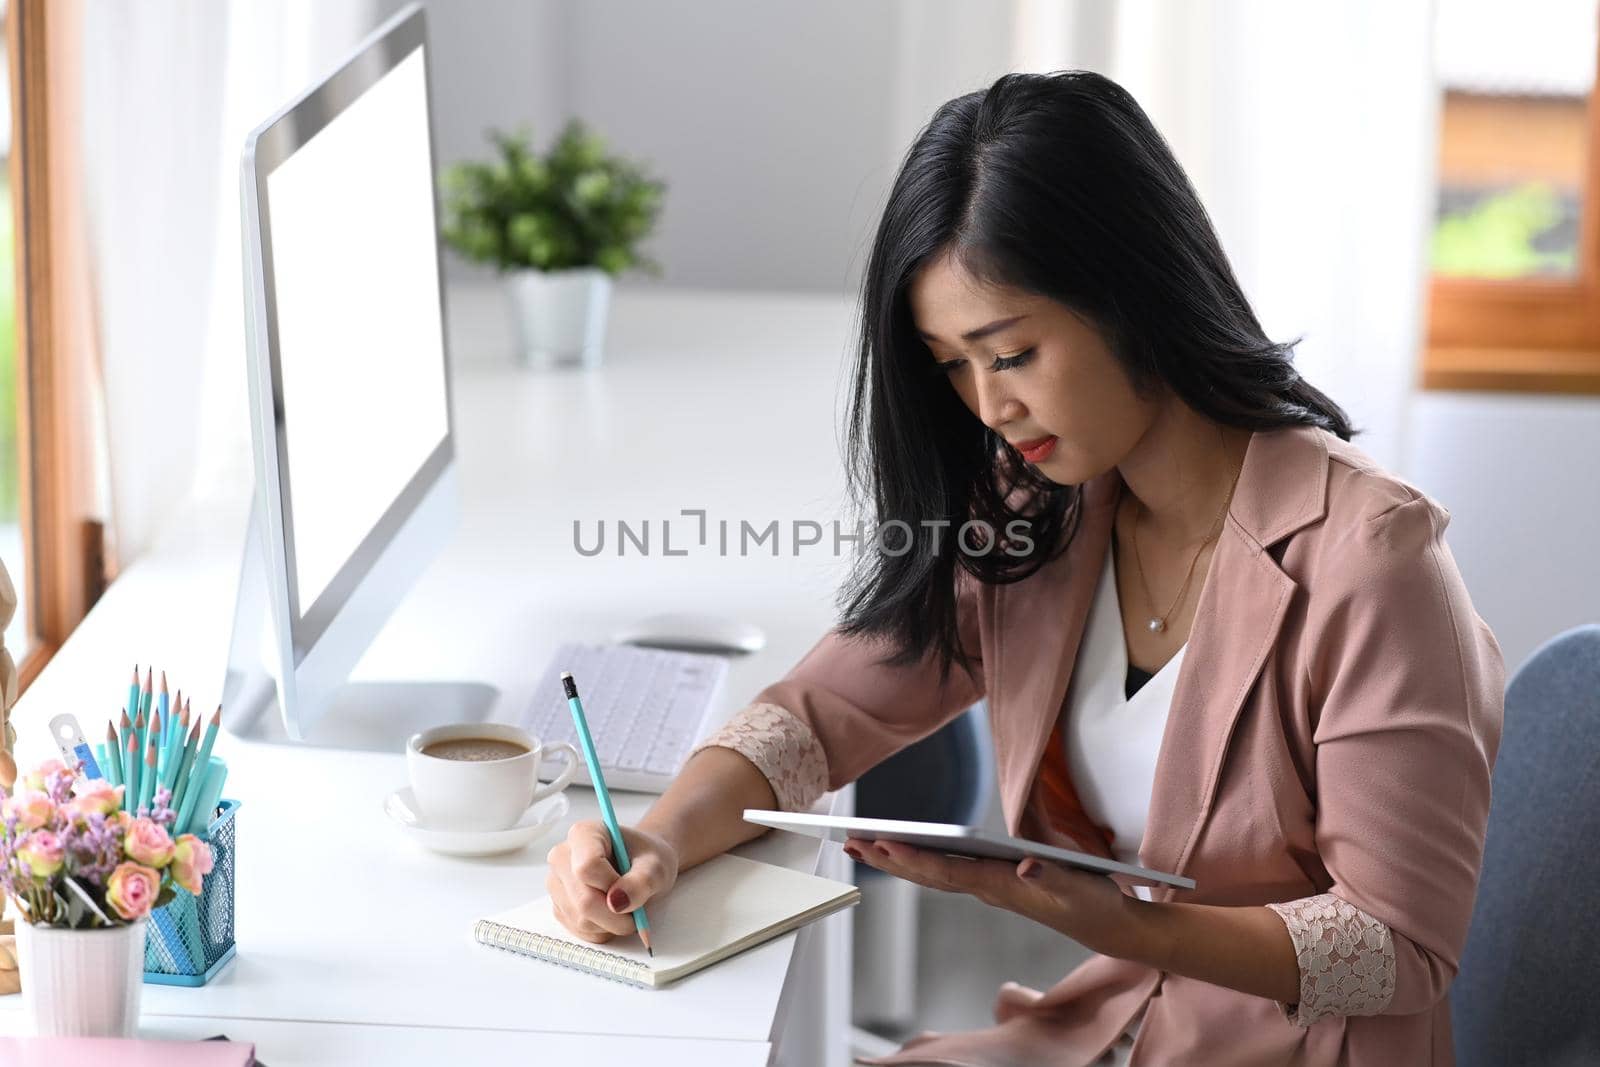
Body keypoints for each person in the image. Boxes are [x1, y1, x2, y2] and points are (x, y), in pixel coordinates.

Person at [544, 70, 1504, 1067]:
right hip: (1117, 1023)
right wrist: (655, 841)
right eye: (951, 364)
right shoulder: (1040, 508)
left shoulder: (1375, 562)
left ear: (1131, 293)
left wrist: (1122, 922)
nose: (986, 404)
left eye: (1009, 353)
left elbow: (1399, 945)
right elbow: (815, 714)